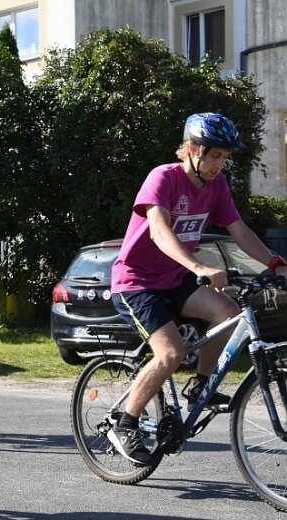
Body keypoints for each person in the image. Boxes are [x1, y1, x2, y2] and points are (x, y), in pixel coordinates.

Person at [108, 112, 287, 466]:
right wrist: (200, 267)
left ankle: (200, 386)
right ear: (191, 148)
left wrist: (273, 262)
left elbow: (239, 230)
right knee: (171, 354)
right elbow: (159, 232)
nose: (221, 163)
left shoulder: (216, 186)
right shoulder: (163, 178)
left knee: (229, 313)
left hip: (174, 279)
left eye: (225, 156)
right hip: (136, 282)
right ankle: (125, 424)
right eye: (215, 155)